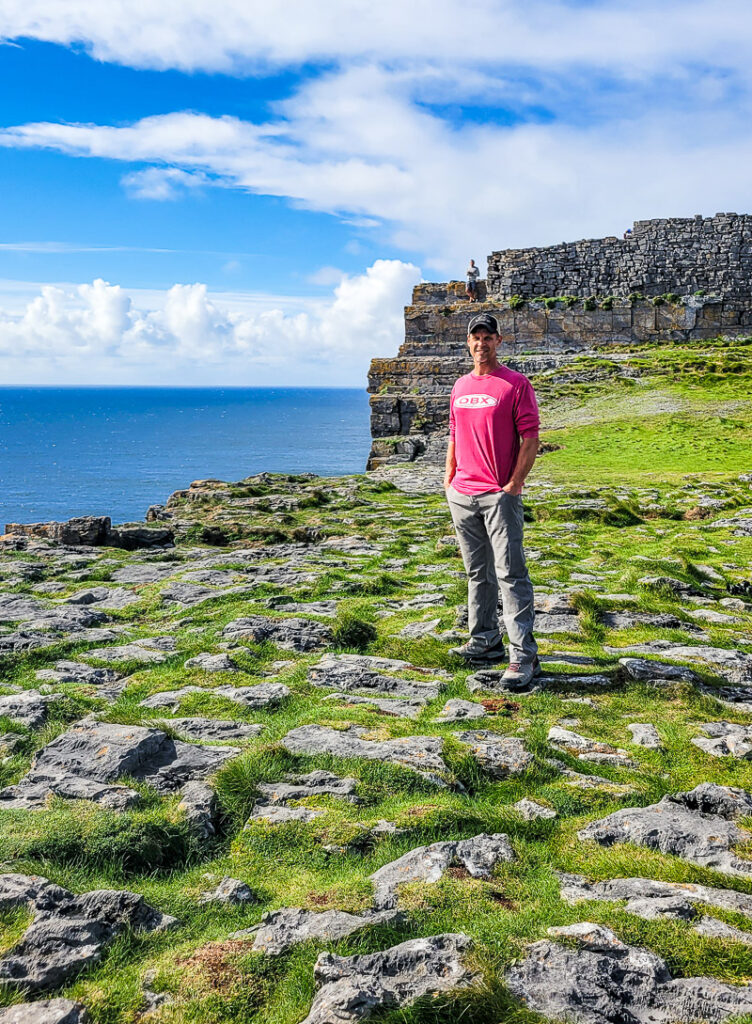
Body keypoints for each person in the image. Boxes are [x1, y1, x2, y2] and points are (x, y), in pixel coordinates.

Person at [444, 312, 541, 686]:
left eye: (488, 337)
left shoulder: (515, 384)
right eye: (475, 337)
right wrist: (448, 479)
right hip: (463, 494)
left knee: (511, 574)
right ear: (468, 342)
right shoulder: (459, 386)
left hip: (498, 495)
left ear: (499, 341)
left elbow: (530, 438)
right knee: (476, 573)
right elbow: (454, 433)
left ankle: (524, 658)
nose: (481, 343)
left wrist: (513, 486)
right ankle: (484, 641)